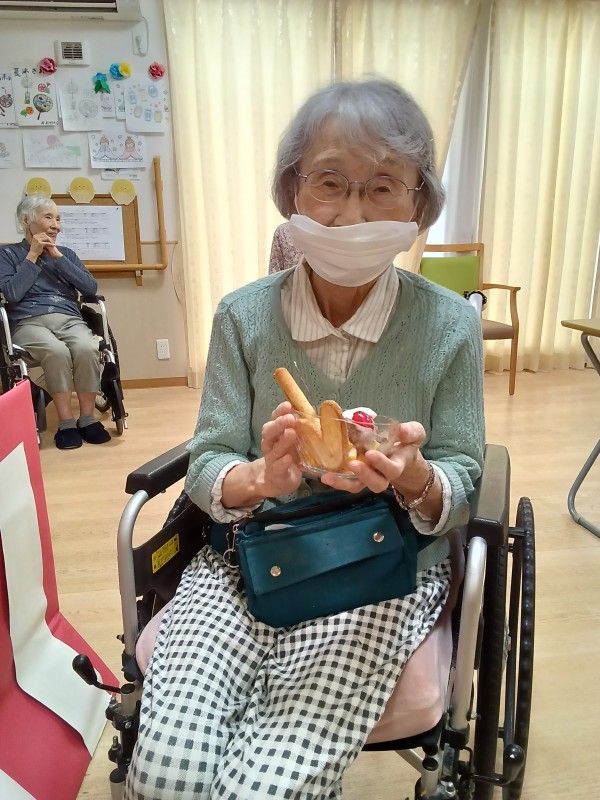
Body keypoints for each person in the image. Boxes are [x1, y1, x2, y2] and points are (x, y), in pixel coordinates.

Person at [125, 78, 485, 799]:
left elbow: (464, 473)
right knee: (164, 775)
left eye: (383, 186)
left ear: (419, 202)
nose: (353, 213)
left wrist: (414, 476)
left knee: (267, 786)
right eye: (330, 182)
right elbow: (209, 457)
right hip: (239, 563)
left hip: (378, 572)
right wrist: (259, 479)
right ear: (292, 189)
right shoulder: (242, 317)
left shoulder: (450, 326)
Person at [0, 195, 111, 449]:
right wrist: (32, 256)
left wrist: (58, 257)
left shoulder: (67, 254)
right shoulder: (6, 254)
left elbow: (90, 288)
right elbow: (12, 294)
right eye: (48, 217)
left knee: (87, 347)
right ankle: (66, 423)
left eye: (58, 219)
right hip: (27, 322)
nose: (56, 225)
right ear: (26, 221)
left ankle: (87, 419)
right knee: (56, 351)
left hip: (69, 318)